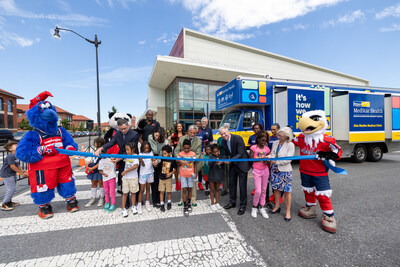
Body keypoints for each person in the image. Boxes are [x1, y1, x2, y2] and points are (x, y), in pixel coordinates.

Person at [94, 118, 139, 200]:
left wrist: (118, 158)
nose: (123, 131)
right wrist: (101, 148)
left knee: (134, 180)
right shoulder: (118, 133)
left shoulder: (135, 134)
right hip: (121, 159)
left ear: (128, 126)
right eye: (121, 129)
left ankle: (136, 200)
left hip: (132, 159)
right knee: (122, 179)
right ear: (118, 128)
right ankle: (126, 203)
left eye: (125, 128)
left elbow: (132, 150)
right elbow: (111, 142)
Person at [220, 125, 250, 215]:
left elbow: (240, 153)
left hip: (242, 164)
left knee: (242, 186)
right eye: (221, 134)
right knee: (231, 184)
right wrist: (223, 160)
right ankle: (232, 202)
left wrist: (230, 160)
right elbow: (225, 153)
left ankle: (243, 206)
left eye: (224, 133)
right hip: (233, 164)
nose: (223, 135)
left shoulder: (238, 138)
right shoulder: (223, 141)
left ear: (228, 131)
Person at [269, 127, 295, 222]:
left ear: (286, 136)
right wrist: (269, 157)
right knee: (276, 189)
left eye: (280, 135)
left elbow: (289, 159)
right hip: (275, 170)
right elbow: (272, 153)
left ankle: (288, 211)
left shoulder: (290, 145)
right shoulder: (275, 143)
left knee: (287, 191)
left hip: (285, 170)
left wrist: (275, 162)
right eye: (278, 134)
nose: (277, 136)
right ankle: (277, 206)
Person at [174, 125, 204, 207]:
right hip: (183, 164)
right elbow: (176, 151)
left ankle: (192, 200)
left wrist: (193, 159)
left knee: (192, 182)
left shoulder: (199, 141)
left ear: (196, 133)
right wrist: (179, 159)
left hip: (193, 163)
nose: (192, 134)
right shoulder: (182, 139)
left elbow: (198, 154)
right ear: (188, 131)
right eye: (191, 132)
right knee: (183, 183)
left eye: (194, 133)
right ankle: (182, 199)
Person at [0, 141, 28, 211]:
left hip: (12, 174)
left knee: (12, 188)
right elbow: (12, 166)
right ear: (10, 149)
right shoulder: (10, 156)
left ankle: (9, 202)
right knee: (11, 189)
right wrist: (22, 173)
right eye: (16, 146)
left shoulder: (16, 155)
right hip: (7, 174)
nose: (18, 146)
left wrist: (23, 171)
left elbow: (17, 165)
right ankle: (4, 204)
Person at [249, 133, 270, 219]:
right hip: (256, 171)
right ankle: (254, 207)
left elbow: (269, 158)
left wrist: (267, 160)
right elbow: (250, 159)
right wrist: (260, 159)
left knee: (264, 190)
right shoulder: (253, 148)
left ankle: (262, 206)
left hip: (265, 170)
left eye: (265, 141)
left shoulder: (267, 149)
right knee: (258, 190)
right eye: (262, 140)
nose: (263, 142)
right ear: (258, 140)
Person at [148, 127, 169, 208]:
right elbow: (149, 150)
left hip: (161, 159)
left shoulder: (165, 141)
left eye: (158, 136)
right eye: (155, 135)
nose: (156, 137)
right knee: (154, 182)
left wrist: (157, 161)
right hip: (152, 158)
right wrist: (153, 160)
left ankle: (161, 200)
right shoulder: (150, 137)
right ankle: (154, 200)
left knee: (161, 181)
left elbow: (162, 154)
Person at [178, 139, 197, 217]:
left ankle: (189, 203)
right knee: (184, 189)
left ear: (190, 147)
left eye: (188, 148)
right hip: (183, 174)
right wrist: (180, 161)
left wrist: (195, 173)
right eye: (185, 148)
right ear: (182, 147)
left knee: (190, 189)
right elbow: (178, 164)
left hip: (190, 174)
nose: (186, 150)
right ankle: (185, 204)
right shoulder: (180, 154)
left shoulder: (193, 154)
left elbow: (195, 164)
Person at [85, 137, 106, 208]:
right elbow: (93, 159)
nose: (94, 144)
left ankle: (102, 197)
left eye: (95, 142)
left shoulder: (103, 152)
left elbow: (100, 162)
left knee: (101, 183)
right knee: (93, 183)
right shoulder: (95, 150)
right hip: (93, 169)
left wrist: (92, 168)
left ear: (99, 143)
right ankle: (93, 197)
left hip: (98, 170)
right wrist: (88, 164)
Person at [155, 145, 177, 212]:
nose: (164, 155)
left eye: (165, 153)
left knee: (169, 191)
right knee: (161, 191)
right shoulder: (162, 159)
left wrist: (170, 173)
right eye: (163, 153)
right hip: (161, 178)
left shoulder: (172, 160)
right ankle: (162, 204)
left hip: (169, 178)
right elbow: (159, 165)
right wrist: (156, 164)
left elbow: (175, 169)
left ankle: (169, 202)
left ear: (169, 153)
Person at [120, 142, 140, 217]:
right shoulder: (126, 156)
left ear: (133, 149)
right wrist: (115, 160)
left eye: (128, 150)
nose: (127, 151)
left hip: (133, 178)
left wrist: (125, 171)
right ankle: (123, 208)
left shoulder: (136, 156)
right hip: (125, 178)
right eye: (126, 150)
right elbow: (120, 158)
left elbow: (135, 166)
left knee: (133, 193)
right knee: (125, 193)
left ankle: (133, 206)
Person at [138, 141, 157, 212]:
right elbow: (142, 165)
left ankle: (147, 202)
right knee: (142, 189)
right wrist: (141, 160)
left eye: (148, 148)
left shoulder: (151, 153)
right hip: (143, 174)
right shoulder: (140, 154)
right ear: (142, 148)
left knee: (148, 188)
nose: (146, 150)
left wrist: (155, 162)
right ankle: (139, 204)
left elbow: (153, 161)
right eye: (145, 148)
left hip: (150, 173)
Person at [267, 123, 282, 207]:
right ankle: (274, 194)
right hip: (271, 161)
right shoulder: (270, 138)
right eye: (271, 129)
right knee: (273, 179)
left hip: (280, 163)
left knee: (281, 180)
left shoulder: (281, 138)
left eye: (274, 129)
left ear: (278, 129)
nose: (272, 131)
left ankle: (280, 197)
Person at [207, 144, 226, 211]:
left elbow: (225, 161)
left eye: (217, 151)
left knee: (217, 189)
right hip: (212, 175)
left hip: (219, 175)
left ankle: (217, 202)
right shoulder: (211, 157)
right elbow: (209, 163)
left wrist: (221, 162)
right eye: (214, 152)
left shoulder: (221, 157)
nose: (216, 153)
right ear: (212, 152)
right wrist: (215, 161)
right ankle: (212, 203)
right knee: (212, 189)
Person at [169, 122, 185, 191]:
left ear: (182, 127)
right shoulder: (174, 135)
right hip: (175, 152)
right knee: (175, 169)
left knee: (182, 168)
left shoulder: (185, 135)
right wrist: (171, 141)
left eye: (180, 126)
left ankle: (181, 183)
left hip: (183, 153)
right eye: (178, 126)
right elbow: (171, 142)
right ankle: (177, 183)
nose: (179, 127)